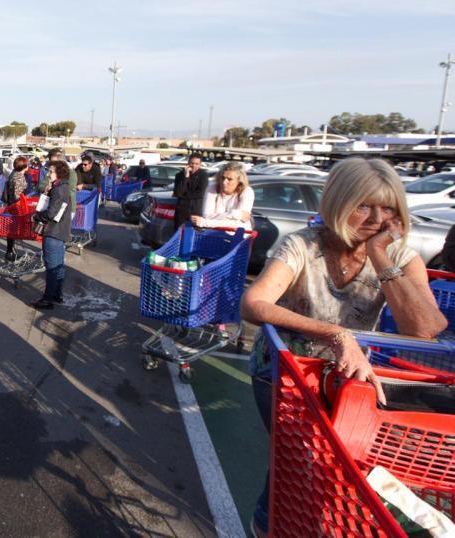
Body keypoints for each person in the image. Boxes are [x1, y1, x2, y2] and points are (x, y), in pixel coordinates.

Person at [239, 157, 447, 537]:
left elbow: (424, 329)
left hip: (349, 381)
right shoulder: (301, 245)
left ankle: (277, 521)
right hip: (284, 373)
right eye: (363, 206)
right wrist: (336, 334)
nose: (377, 219)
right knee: (304, 456)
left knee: (321, 462)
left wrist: (381, 256)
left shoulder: (400, 257)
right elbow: (255, 303)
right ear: (338, 204)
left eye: (388, 209)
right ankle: (268, 524)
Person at [31, 160, 74, 310]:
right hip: (60, 231)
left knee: (52, 267)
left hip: (54, 232)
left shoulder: (59, 189)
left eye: (51, 171)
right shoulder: (62, 187)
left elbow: (51, 213)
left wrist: (36, 216)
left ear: (58, 173)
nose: (48, 174)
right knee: (58, 266)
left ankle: (48, 298)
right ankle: (56, 294)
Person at [190, 162, 254, 230]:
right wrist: (235, 214)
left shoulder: (246, 191)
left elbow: (240, 224)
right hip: (215, 235)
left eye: (229, 179)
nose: (224, 182)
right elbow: (207, 216)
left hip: (238, 237)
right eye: (223, 178)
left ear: (239, 181)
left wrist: (205, 222)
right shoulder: (212, 188)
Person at [2, 156, 30, 262]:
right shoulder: (19, 176)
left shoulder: (13, 174)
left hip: (11, 205)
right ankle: (10, 253)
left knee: (11, 231)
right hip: (15, 207)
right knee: (13, 230)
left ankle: (10, 252)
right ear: (24, 165)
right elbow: (17, 195)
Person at [172, 154, 208, 227]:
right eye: (192, 163)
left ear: (200, 165)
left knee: (193, 234)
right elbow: (178, 193)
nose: (193, 166)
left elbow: (200, 193)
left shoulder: (203, 175)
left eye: (196, 164)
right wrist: (186, 177)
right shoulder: (179, 175)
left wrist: (184, 195)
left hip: (195, 211)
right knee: (180, 234)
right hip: (181, 211)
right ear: (188, 163)